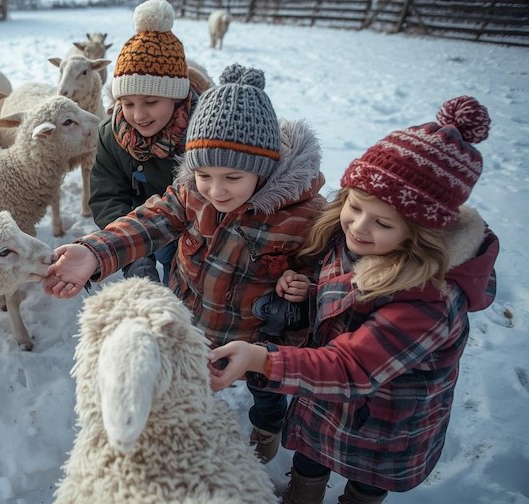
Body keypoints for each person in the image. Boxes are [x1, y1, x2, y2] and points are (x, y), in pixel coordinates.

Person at [208, 96, 499, 504]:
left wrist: (262, 359)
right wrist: (307, 288)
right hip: (326, 396)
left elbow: (352, 366)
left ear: (422, 233)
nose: (358, 228)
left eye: (381, 222)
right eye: (355, 206)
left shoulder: (431, 302)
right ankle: (301, 495)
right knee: (310, 457)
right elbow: (341, 291)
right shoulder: (352, 242)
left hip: (386, 421)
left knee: (366, 480)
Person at [46, 63, 326, 462]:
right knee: (190, 378)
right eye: (205, 174)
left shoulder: (303, 217)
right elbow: (149, 220)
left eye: (232, 177)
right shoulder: (192, 192)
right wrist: (95, 252)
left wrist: (304, 284)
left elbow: (326, 270)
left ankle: (266, 427)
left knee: (266, 394)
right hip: (195, 324)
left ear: (264, 168)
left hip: (260, 341)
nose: (216, 190)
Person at [89, 0, 204, 285]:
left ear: (176, 97)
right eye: (127, 103)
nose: (138, 115)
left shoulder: (201, 131)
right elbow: (108, 195)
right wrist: (135, 255)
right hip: (137, 228)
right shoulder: (111, 134)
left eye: (151, 102)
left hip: (195, 234)